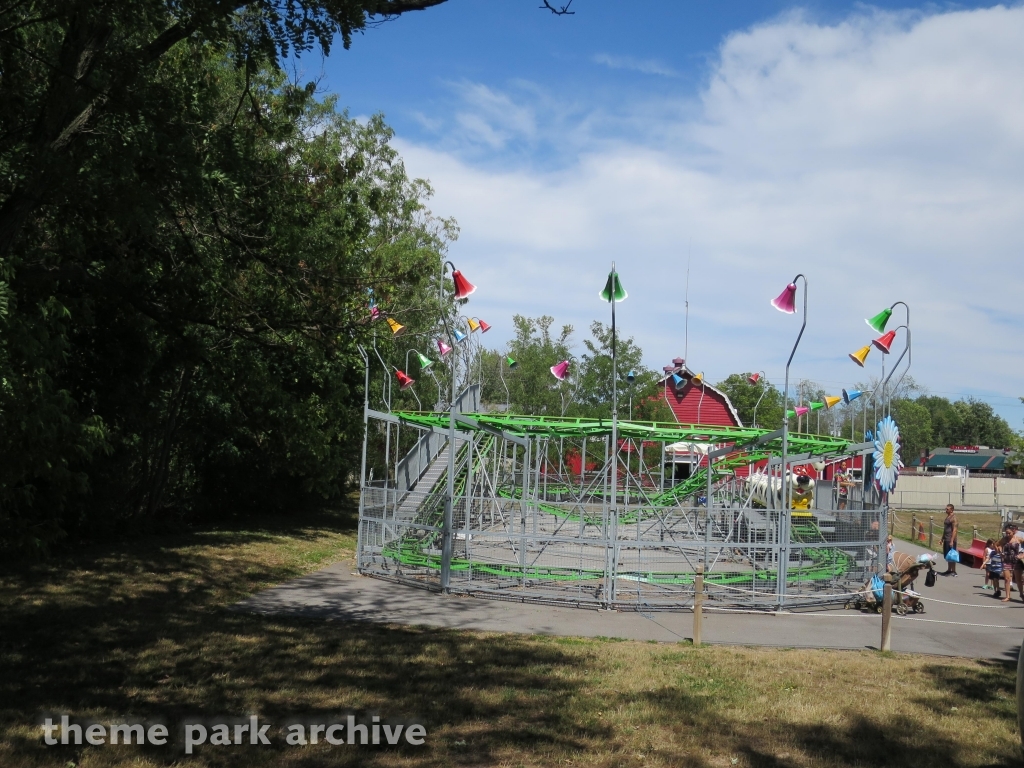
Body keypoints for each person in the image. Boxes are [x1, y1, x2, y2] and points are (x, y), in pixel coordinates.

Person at [996, 523, 1022, 602]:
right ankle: (1007, 596)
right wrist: (1000, 551)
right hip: (1006, 560)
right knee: (1007, 579)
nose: (1007, 535)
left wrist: (1022, 555)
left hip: (1016, 560)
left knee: (1018, 579)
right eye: (1006, 533)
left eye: (1009, 533)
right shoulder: (1004, 539)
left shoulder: (1018, 539)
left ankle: (1021, 594)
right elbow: (997, 544)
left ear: (1013, 531)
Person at [940, 504, 958, 576]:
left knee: (952, 555)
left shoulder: (954, 518)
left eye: (947, 509)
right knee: (948, 555)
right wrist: (942, 538)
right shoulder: (948, 517)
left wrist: (952, 540)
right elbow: (945, 529)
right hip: (946, 538)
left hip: (951, 539)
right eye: (946, 509)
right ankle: (949, 570)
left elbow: (955, 530)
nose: (946, 510)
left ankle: (954, 571)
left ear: (951, 510)